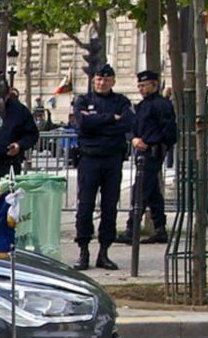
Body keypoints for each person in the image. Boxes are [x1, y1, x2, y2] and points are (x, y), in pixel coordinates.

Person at [71, 64, 135, 271]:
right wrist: (109, 119)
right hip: (89, 159)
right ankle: (83, 251)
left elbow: (126, 124)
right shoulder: (83, 100)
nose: (102, 82)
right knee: (85, 207)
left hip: (112, 160)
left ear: (113, 81)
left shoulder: (121, 101)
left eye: (106, 79)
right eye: (99, 79)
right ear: (93, 80)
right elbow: (82, 125)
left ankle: (104, 253)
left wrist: (96, 122)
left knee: (109, 207)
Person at [120, 70, 178, 245]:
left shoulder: (161, 104)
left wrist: (163, 146)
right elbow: (133, 127)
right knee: (152, 193)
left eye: (144, 85)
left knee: (140, 190)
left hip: (153, 151)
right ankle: (160, 228)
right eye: (139, 86)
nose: (141, 89)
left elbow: (170, 130)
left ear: (154, 84)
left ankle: (132, 229)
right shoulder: (142, 105)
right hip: (143, 151)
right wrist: (134, 138)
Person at [0, 86, 40, 215]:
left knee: (7, 210)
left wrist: (19, 145)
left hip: (9, 165)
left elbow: (32, 134)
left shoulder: (19, 110)